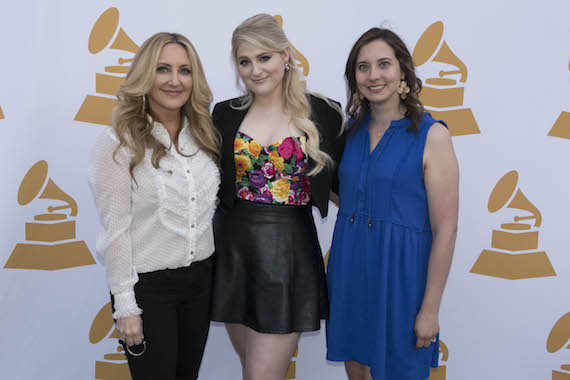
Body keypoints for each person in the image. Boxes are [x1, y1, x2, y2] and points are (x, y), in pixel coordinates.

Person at [210, 13, 345, 380]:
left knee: (260, 375)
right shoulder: (223, 114)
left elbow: (348, 186)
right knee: (252, 370)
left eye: (264, 57)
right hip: (232, 254)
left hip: (289, 256)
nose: (255, 70)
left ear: (285, 56)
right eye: (244, 61)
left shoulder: (326, 113)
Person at [326, 28, 459, 380]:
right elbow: (346, 191)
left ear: (402, 70)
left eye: (383, 64)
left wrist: (430, 309)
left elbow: (445, 229)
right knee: (357, 372)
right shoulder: (348, 133)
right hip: (351, 269)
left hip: (403, 278)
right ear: (354, 77)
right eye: (363, 67)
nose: (373, 76)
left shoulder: (433, 136)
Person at [88, 32, 220, 380]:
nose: (175, 80)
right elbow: (116, 230)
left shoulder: (206, 135)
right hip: (148, 289)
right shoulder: (118, 142)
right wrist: (126, 305)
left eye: (184, 70)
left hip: (201, 282)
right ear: (145, 75)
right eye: (163, 69)